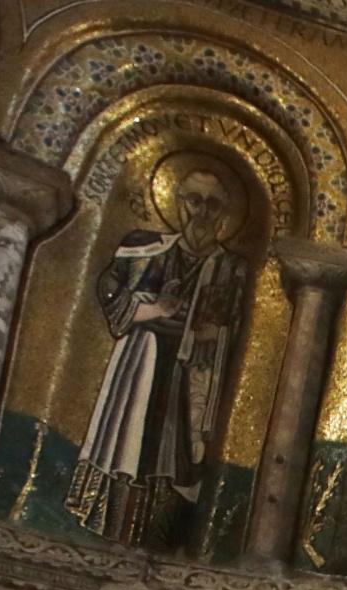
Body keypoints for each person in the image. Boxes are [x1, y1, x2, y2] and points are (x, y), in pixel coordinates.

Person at [69, 164, 249, 547]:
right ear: (178, 203)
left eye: (213, 205)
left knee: (178, 455)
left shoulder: (231, 266)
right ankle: (113, 529)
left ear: (223, 215)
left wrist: (212, 329)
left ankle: (161, 539)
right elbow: (109, 287)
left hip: (194, 371)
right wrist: (150, 309)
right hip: (143, 361)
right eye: (194, 201)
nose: (202, 212)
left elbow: (232, 320)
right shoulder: (145, 247)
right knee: (130, 441)